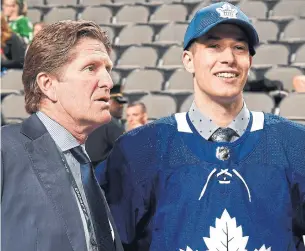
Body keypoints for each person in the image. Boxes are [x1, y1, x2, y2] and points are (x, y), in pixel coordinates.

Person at [98, 2, 305, 251]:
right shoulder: (141, 148)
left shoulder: (293, 143)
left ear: (249, 61)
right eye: (213, 46)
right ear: (188, 60)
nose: (228, 58)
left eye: (239, 47)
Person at [1, 20, 123, 251]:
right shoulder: (5, 151)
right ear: (48, 84)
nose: (108, 82)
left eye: (108, 69)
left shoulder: (83, 164)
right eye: (91, 68)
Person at [86, 84, 128, 167]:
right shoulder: (112, 124)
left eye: (122, 103)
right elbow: (127, 152)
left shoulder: (88, 119)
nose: (121, 106)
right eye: (117, 102)